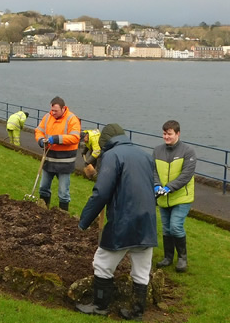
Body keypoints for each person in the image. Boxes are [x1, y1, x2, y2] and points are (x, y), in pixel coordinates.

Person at [76, 123, 158, 321]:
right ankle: (137, 312)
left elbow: (101, 192)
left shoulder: (112, 156)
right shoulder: (146, 156)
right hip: (147, 221)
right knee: (141, 269)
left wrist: (84, 221)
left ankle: (100, 306)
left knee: (102, 263)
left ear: (106, 142)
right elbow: (154, 186)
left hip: (123, 220)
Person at [153, 120, 196, 273]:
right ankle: (168, 257)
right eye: (164, 134)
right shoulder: (157, 150)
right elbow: (154, 172)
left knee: (176, 227)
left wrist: (169, 188)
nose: (166, 137)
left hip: (181, 197)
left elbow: (186, 175)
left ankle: (182, 259)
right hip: (164, 197)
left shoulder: (188, 152)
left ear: (177, 133)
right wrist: (157, 185)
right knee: (166, 228)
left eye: (169, 134)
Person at [34, 96, 81, 211]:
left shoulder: (72, 119)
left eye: (55, 111)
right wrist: (40, 140)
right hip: (49, 159)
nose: (53, 113)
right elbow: (39, 130)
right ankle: (43, 210)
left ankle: (63, 216)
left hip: (65, 162)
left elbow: (75, 137)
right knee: (43, 188)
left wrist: (56, 139)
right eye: (52, 110)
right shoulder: (47, 117)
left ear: (63, 108)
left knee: (63, 193)